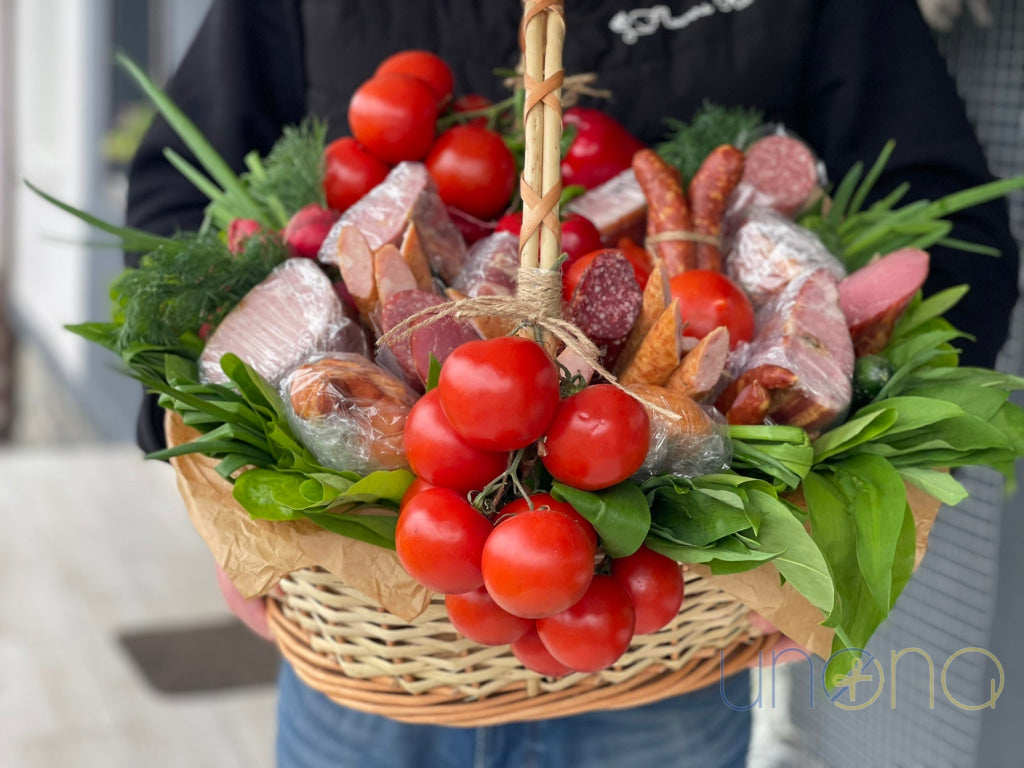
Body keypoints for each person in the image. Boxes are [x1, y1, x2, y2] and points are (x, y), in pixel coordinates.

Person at [125, 1, 1020, 766]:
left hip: (659, 648)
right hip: (371, 645)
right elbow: (173, 199)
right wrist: (210, 494)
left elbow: (949, 209)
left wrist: (862, 523)